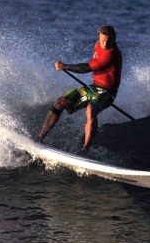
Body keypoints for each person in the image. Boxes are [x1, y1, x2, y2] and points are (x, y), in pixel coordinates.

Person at [36, 25, 122, 153]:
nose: (104, 44)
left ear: (114, 39)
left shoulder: (111, 54)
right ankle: (39, 138)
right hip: (93, 88)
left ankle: (85, 150)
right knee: (59, 102)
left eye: (108, 41)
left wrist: (65, 66)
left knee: (90, 109)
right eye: (102, 41)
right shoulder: (98, 44)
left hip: (107, 93)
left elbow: (85, 68)